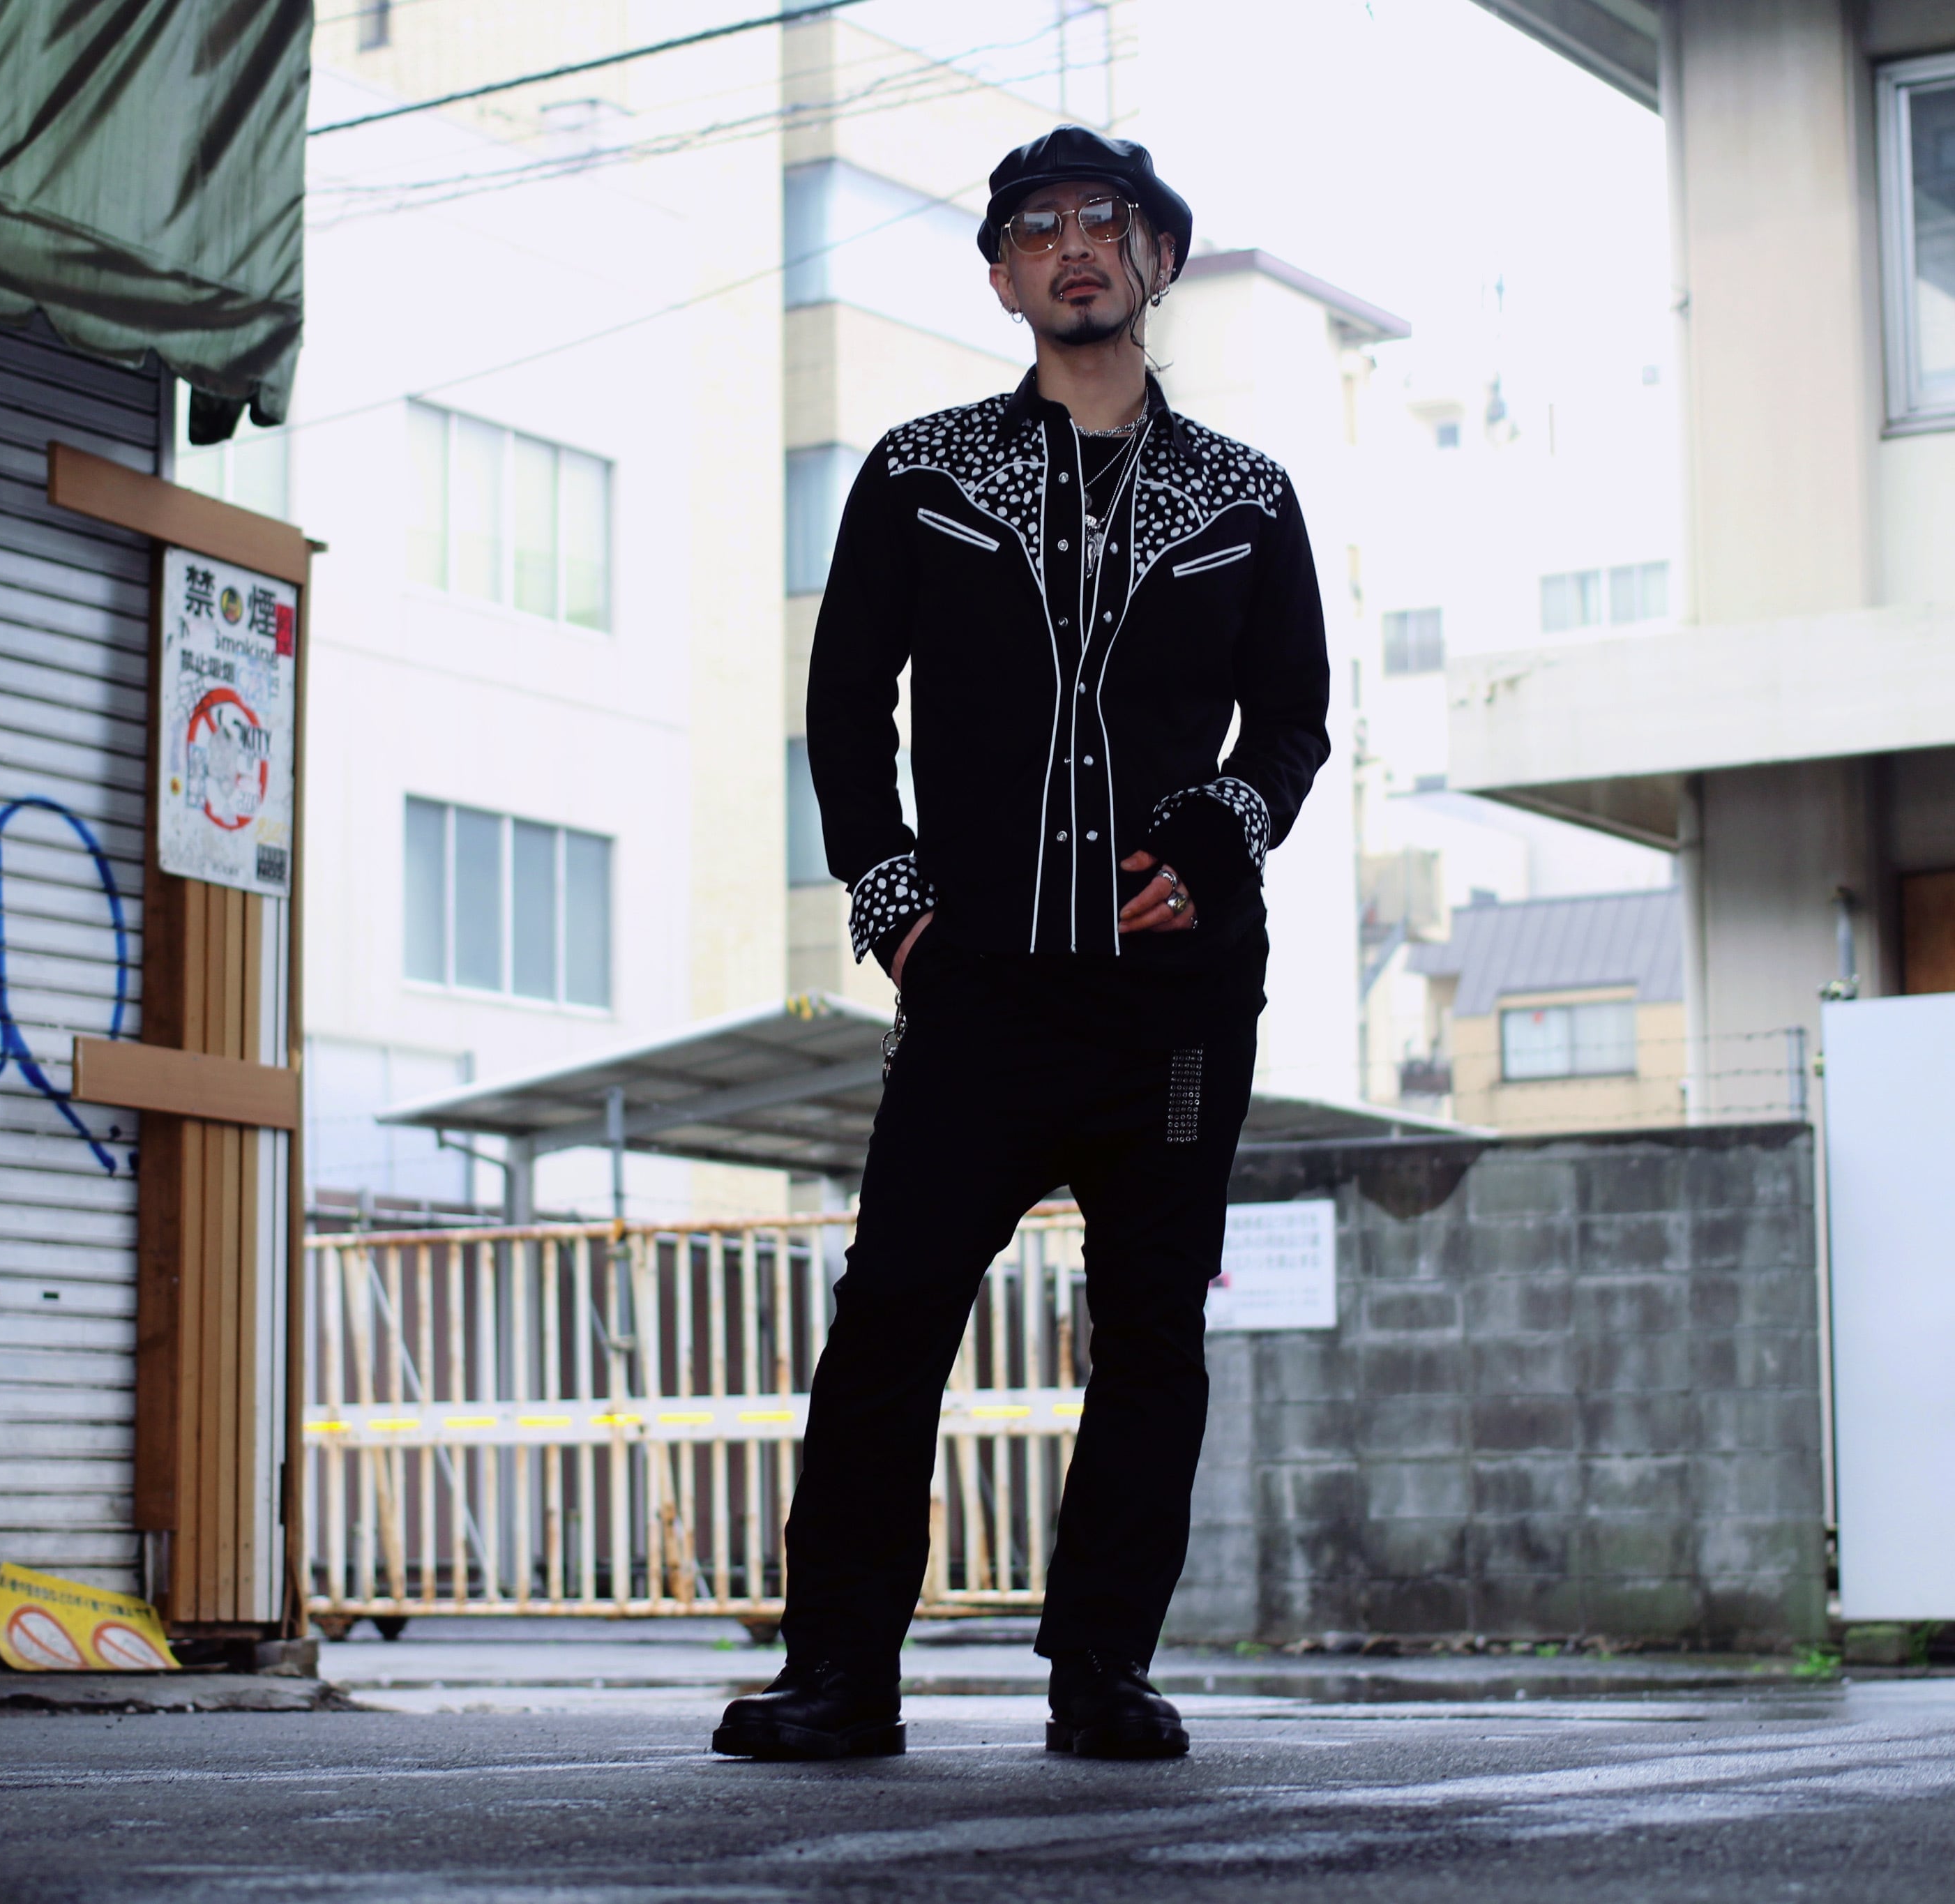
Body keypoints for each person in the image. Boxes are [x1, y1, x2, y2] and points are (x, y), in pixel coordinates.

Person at [711, 126, 1332, 1764]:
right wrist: (890, 900)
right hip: (977, 990)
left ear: (1156, 258)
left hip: (1174, 1006)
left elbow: (1291, 723)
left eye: (1102, 221)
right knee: (890, 1315)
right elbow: (844, 704)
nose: (1072, 246)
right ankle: (839, 1674)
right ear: (999, 276)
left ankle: (1100, 1672)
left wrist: (1217, 838)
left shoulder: (1246, 497)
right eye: (1036, 227)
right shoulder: (920, 475)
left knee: (1150, 1334)